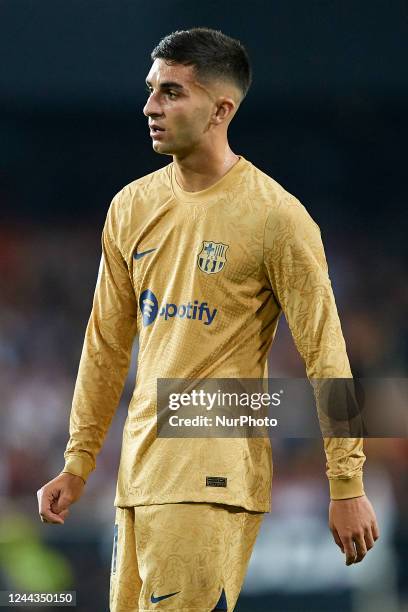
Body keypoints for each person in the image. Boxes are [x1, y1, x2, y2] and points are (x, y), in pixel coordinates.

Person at [37, 27, 379, 612]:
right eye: (151, 90)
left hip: (211, 474)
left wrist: (346, 482)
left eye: (171, 92)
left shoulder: (277, 217)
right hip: (139, 475)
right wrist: (78, 460)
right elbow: (106, 347)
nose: (150, 106)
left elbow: (327, 354)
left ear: (222, 109)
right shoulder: (132, 207)